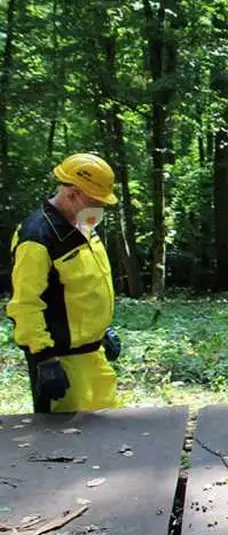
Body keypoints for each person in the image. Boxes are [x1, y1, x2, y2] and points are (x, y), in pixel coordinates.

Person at [7, 153, 122, 413]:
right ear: (72, 193)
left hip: (94, 356)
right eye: (95, 201)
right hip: (62, 362)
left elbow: (85, 286)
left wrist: (100, 330)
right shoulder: (36, 237)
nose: (100, 208)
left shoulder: (84, 223)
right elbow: (25, 304)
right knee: (70, 447)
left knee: (113, 431)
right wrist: (44, 359)